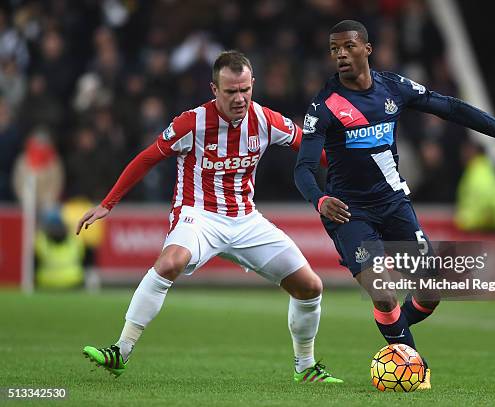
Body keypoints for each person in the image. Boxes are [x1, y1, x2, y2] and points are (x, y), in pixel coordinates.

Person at [294, 20, 495, 390]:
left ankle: (393, 329)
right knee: (384, 291)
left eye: (349, 46)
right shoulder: (324, 106)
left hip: (394, 204)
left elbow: (450, 108)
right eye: (334, 49)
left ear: (367, 49)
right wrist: (320, 198)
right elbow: (304, 169)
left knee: (431, 290)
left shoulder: (394, 87)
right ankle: (410, 362)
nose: (341, 54)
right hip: (348, 211)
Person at [78, 51, 342, 384]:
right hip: (198, 215)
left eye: (245, 89)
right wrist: (108, 203)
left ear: (252, 85)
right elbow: (147, 158)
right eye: (231, 91)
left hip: (245, 220)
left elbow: (310, 149)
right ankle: (121, 350)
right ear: (214, 89)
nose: (239, 98)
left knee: (310, 287)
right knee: (169, 263)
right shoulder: (192, 123)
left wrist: (350, 175)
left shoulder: (266, 120)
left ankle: (305, 367)